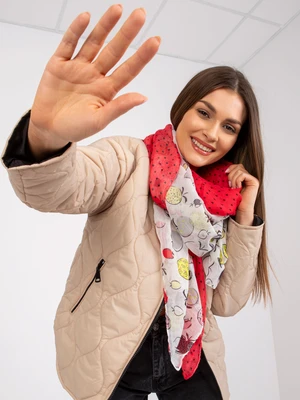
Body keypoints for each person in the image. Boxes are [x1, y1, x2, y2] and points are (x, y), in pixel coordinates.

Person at [1, 5, 273, 400]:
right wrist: (45, 134)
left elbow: (228, 302)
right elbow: (59, 188)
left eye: (229, 127)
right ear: (183, 108)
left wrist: (246, 218)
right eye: (204, 112)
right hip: (111, 353)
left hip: (190, 354)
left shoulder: (225, 202)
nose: (212, 134)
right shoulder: (131, 158)